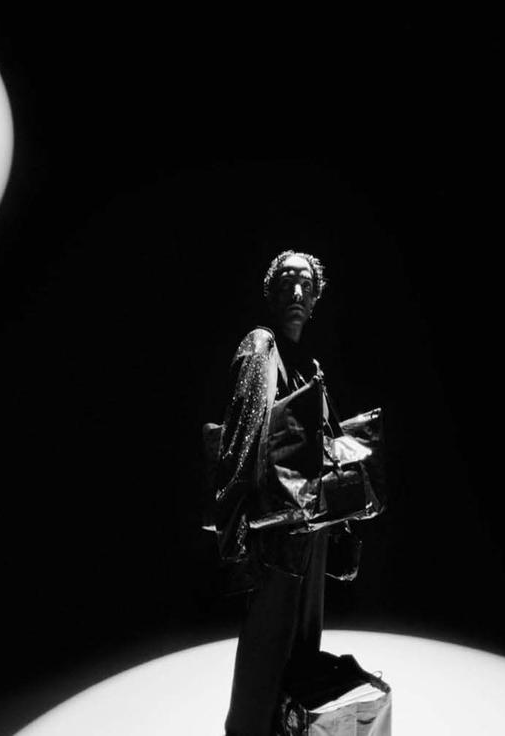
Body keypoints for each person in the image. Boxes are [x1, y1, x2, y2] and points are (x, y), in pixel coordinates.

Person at [212, 250, 349, 736]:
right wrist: (238, 528)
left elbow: (323, 439)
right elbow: (242, 437)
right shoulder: (261, 345)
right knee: (266, 651)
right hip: (275, 531)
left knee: (301, 647)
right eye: (287, 282)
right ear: (271, 293)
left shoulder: (311, 364)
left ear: (314, 299)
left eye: (305, 285)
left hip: (309, 529)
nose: (296, 292)